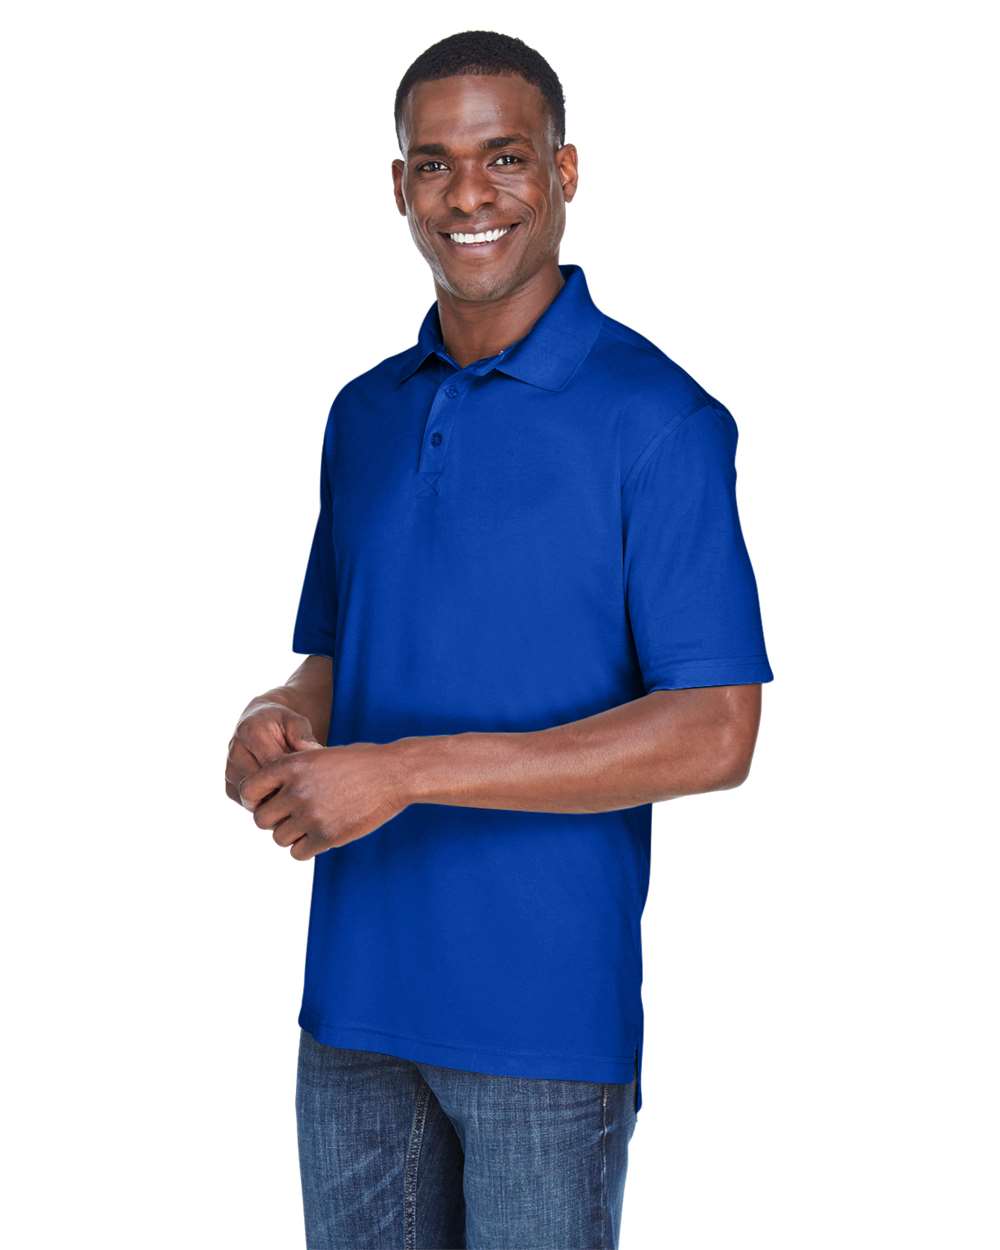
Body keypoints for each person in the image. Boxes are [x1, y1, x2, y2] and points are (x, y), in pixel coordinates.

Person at [226, 29, 773, 1250]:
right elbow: (337, 654)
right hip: (352, 1004)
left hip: (542, 1024)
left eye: (505, 157)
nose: (468, 194)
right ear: (400, 186)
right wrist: (282, 717)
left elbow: (715, 729)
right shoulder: (365, 413)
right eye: (435, 163)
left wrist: (405, 769)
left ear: (564, 172)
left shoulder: (660, 419)